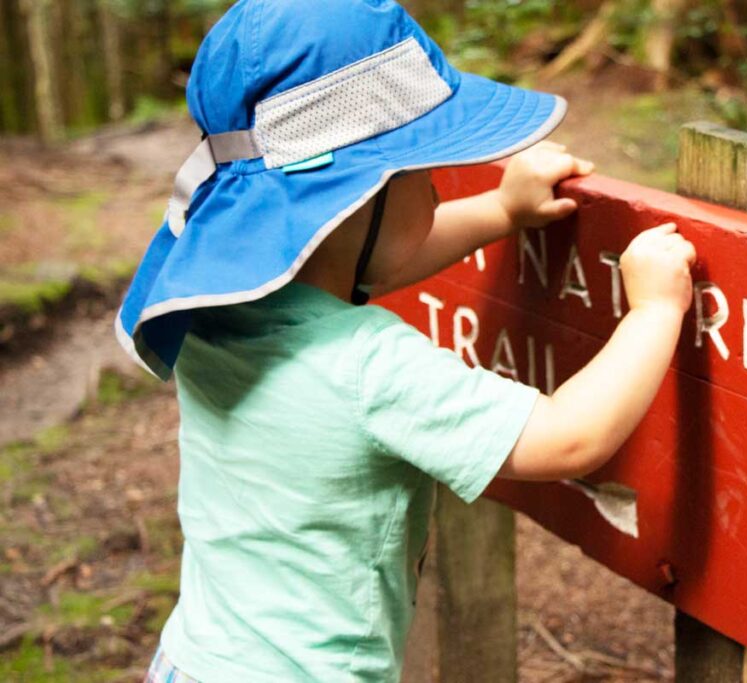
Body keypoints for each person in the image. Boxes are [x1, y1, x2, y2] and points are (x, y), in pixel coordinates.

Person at [121, 1, 697, 681]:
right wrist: (656, 308)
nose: (435, 188)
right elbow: (569, 437)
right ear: (348, 197)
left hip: (192, 659)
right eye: (419, 173)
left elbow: (368, 258)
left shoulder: (213, 307)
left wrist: (501, 212)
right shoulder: (367, 365)